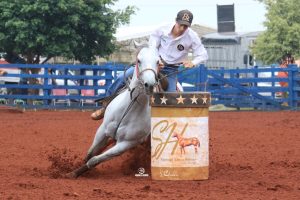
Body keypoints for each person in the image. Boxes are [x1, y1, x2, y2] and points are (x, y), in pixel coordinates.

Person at [91, 9, 208, 120]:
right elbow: (152, 47)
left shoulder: (192, 37)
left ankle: (165, 124)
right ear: (176, 21)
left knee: (171, 97)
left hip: (171, 71)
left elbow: (203, 55)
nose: (182, 28)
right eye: (180, 25)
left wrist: (193, 62)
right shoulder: (162, 29)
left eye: (186, 26)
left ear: (189, 26)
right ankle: (105, 105)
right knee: (123, 77)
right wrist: (157, 60)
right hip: (152, 64)